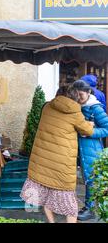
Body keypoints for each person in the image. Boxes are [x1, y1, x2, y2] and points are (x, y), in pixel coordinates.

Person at [20, 87, 94, 223]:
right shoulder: (75, 112)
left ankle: (51, 221)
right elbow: (87, 130)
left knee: (47, 194)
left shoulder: (47, 107)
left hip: (43, 159)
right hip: (62, 162)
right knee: (70, 201)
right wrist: (90, 123)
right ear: (74, 98)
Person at [72, 80, 108, 221]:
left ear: (88, 93)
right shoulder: (75, 106)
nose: (78, 98)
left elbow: (106, 129)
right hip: (77, 148)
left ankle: (90, 209)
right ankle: (86, 206)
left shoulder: (95, 108)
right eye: (75, 95)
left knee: (91, 179)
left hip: (91, 149)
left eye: (80, 95)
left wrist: (90, 132)